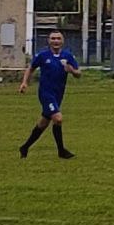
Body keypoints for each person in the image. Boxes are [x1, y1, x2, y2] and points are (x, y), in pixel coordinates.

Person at [18, 30, 80, 159]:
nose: (55, 41)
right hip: (46, 93)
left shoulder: (68, 56)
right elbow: (31, 68)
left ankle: (25, 147)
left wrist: (72, 70)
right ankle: (61, 151)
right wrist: (24, 83)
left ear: (62, 41)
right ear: (49, 40)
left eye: (58, 38)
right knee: (58, 118)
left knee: (43, 123)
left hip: (58, 94)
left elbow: (78, 74)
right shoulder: (43, 55)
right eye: (53, 38)